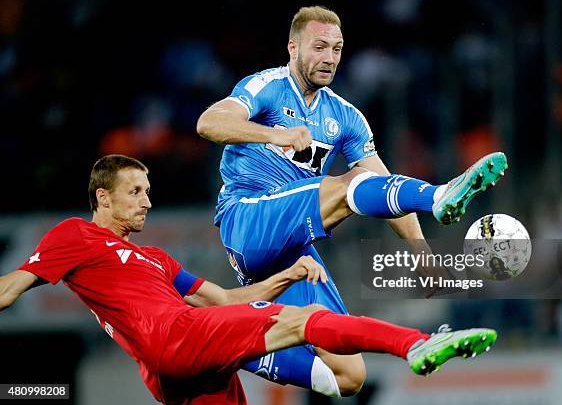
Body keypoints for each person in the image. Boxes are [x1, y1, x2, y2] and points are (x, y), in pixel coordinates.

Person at [0, 154, 497, 404]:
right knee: (307, 320)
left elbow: (225, 299)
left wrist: (288, 274)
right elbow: (12, 286)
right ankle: (414, 345)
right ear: (102, 197)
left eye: (149, 191)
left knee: (282, 331)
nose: (147, 201)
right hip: (171, 337)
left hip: (177, 366)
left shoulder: (154, 257)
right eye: (135, 191)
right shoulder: (76, 235)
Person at [195, 5, 507, 397]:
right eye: (319, 47)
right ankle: (440, 193)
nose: (329, 58)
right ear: (292, 47)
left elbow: (383, 182)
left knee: (347, 374)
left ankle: (228, 342)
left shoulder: (346, 116)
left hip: (294, 251)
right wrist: (274, 135)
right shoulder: (266, 87)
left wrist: (421, 253)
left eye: (337, 49)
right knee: (348, 183)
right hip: (247, 220)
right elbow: (208, 123)